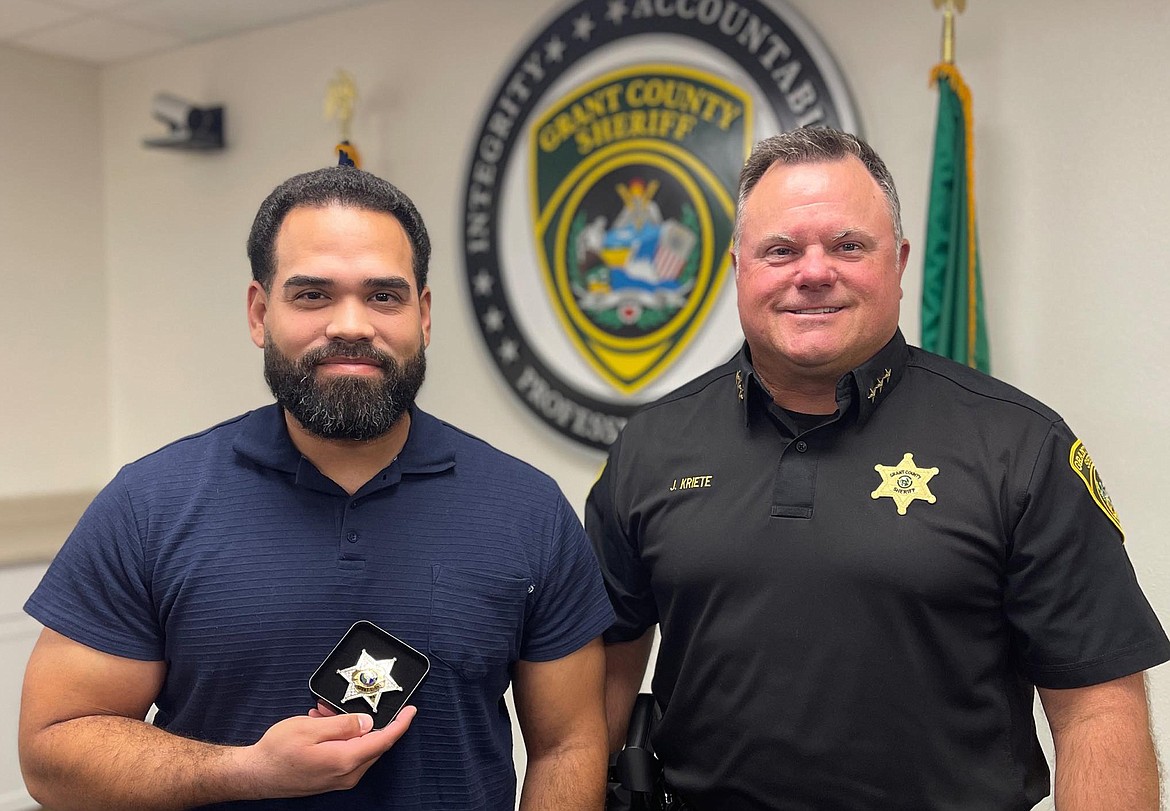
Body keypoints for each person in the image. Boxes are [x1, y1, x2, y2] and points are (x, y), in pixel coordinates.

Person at [586, 127, 1169, 810]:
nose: (812, 271)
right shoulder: (651, 449)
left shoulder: (1019, 445)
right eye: (781, 250)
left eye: (848, 246)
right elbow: (593, 697)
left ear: (898, 261)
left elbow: (1098, 711)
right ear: (737, 267)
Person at [19, 166, 615, 810]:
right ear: (259, 311)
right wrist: (245, 771)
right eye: (312, 295)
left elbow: (570, 744)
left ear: (425, 313)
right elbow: (52, 753)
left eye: (384, 296)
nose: (351, 325)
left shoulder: (527, 509)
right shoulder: (150, 505)